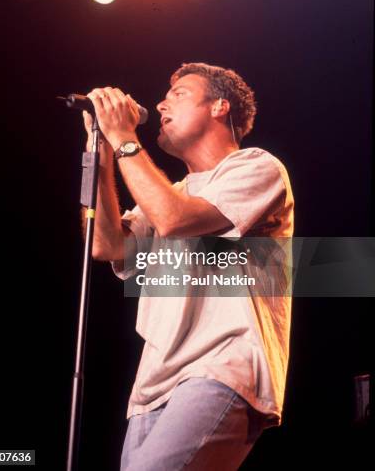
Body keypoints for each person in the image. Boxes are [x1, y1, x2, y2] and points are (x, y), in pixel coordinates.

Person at [83, 62, 294, 470]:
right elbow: (108, 246)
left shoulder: (257, 167)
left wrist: (125, 137)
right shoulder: (169, 191)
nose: (161, 104)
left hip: (221, 367)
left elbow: (174, 219)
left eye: (179, 94)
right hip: (153, 384)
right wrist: (104, 154)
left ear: (219, 107)